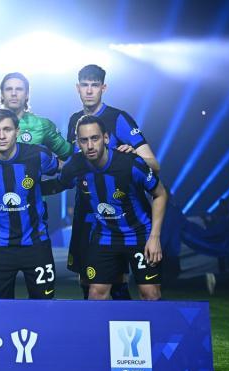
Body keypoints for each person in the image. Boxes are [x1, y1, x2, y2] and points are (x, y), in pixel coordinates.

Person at [66, 64, 161, 300]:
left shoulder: (118, 118)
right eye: (85, 85)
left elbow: (154, 164)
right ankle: (98, 325)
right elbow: (73, 164)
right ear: (77, 88)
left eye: (94, 85)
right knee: (87, 282)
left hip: (120, 214)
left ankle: (123, 321)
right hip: (86, 211)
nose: (89, 90)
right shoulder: (75, 120)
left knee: (119, 281)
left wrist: (135, 155)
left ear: (103, 88)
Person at [52, 115, 167, 300]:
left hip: (139, 235)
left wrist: (154, 238)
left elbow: (160, 194)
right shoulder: (75, 165)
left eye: (95, 138)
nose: (90, 145)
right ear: (78, 143)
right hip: (104, 236)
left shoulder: (130, 163)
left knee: (150, 294)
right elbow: (58, 184)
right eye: (84, 140)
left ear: (106, 138)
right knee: (95, 293)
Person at [0, 109, 59, 299]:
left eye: (7, 129)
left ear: (17, 131)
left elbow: (64, 170)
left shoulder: (38, 155)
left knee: (44, 305)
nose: (2, 136)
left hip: (36, 244)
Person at [0, 72, 73, 164]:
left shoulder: (42, 125)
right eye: (9, 89)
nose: (13, 93)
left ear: (27, 94)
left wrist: (52, 170)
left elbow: (70, 155)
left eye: (19, 89)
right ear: (2, 94)